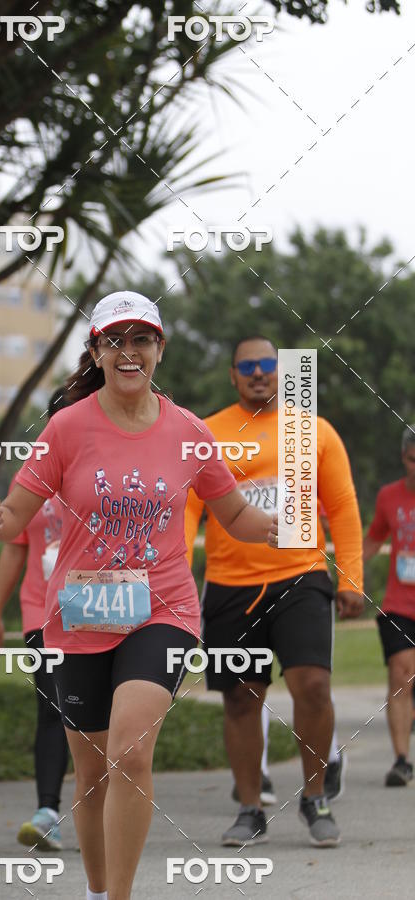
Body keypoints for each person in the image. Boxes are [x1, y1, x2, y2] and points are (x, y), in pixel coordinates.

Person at [0, 293, 277, 900]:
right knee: (89, 774)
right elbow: (15, 522)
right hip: (80, 615)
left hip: (161, 610)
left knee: (130, 753)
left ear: (159, 350)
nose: (129, 351)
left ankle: (120, 897)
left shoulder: (189, 432)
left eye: (142, 339)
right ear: (96, 352)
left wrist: (277, 527)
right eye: (115, 340)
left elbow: (235, 514)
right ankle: (95, 891)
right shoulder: (65, 428)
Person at [185, 336, 364, 849]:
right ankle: (249, 808)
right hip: (229, 584)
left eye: (268, 365)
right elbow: (188, 511)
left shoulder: (314, 430)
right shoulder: (208, 433)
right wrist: (173, 575)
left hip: (301, 575)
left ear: (283, 374)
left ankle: (314, 798)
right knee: (241, 698)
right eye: (248, 366)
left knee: (312, 686)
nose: (259, 373)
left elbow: (345, 507)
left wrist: (350, 579)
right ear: (234, 376)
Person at [0, 390, 69, 851]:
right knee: (52, 709)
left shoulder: (115, 463)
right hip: (44, 613)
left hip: (111, 612)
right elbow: (15, 545)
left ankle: (111, 809)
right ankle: (48, 812)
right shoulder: (34, 469)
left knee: (110, 717)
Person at [363, 424, 415, 786]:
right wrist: (352, 579)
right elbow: (373, 539)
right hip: (399, 604)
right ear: (404, 458)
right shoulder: (388, 497)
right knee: (400, 674)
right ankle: (401, 760)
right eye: (413, 460)